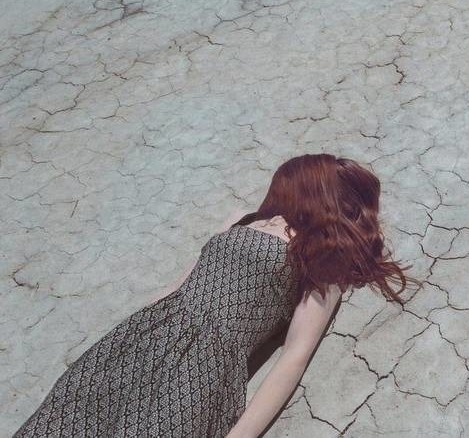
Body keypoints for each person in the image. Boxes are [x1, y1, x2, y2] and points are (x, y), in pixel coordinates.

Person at [13, 154, 419, 438]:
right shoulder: (242, 218)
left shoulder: (323, 257)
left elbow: (294, 356)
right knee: (67, 418)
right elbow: (180, 284)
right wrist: (122, 337)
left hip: (204, 363)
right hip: (144, 337)